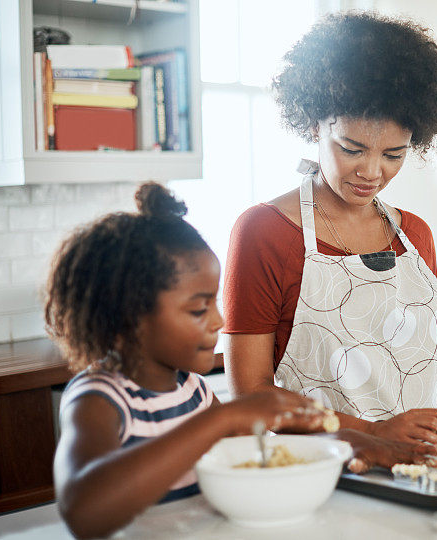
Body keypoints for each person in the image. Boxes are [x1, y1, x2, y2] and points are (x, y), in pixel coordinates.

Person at [223, 10, 437, 459]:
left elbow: (420, 369)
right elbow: (250, 396)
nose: (372, 172)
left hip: (432, 465)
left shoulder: (414, 235)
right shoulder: (264, 232)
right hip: (333, 472)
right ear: (315, 124)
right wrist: (375, 432)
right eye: (351, 149)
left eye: (394, 154)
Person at [46, 183, 412, 538]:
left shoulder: (193, 391)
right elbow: (84, 511)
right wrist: (224, 418)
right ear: (127, 316)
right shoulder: (99, 400)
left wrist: (344, 443)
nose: (218, 321)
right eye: (198, 309)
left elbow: (262, 455)